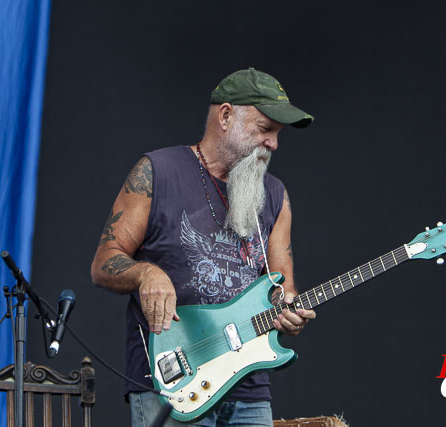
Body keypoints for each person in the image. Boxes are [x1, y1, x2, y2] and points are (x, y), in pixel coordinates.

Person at [91, 68, 316, 426]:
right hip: (173, 381)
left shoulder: (274, 195)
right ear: (226, 116)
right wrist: (146, 273)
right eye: (264, 129)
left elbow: (281, 289)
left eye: (277, 134)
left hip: (248, 387)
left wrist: (289, 313)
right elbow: (105, 260)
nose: (273, 143)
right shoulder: (157, 171)